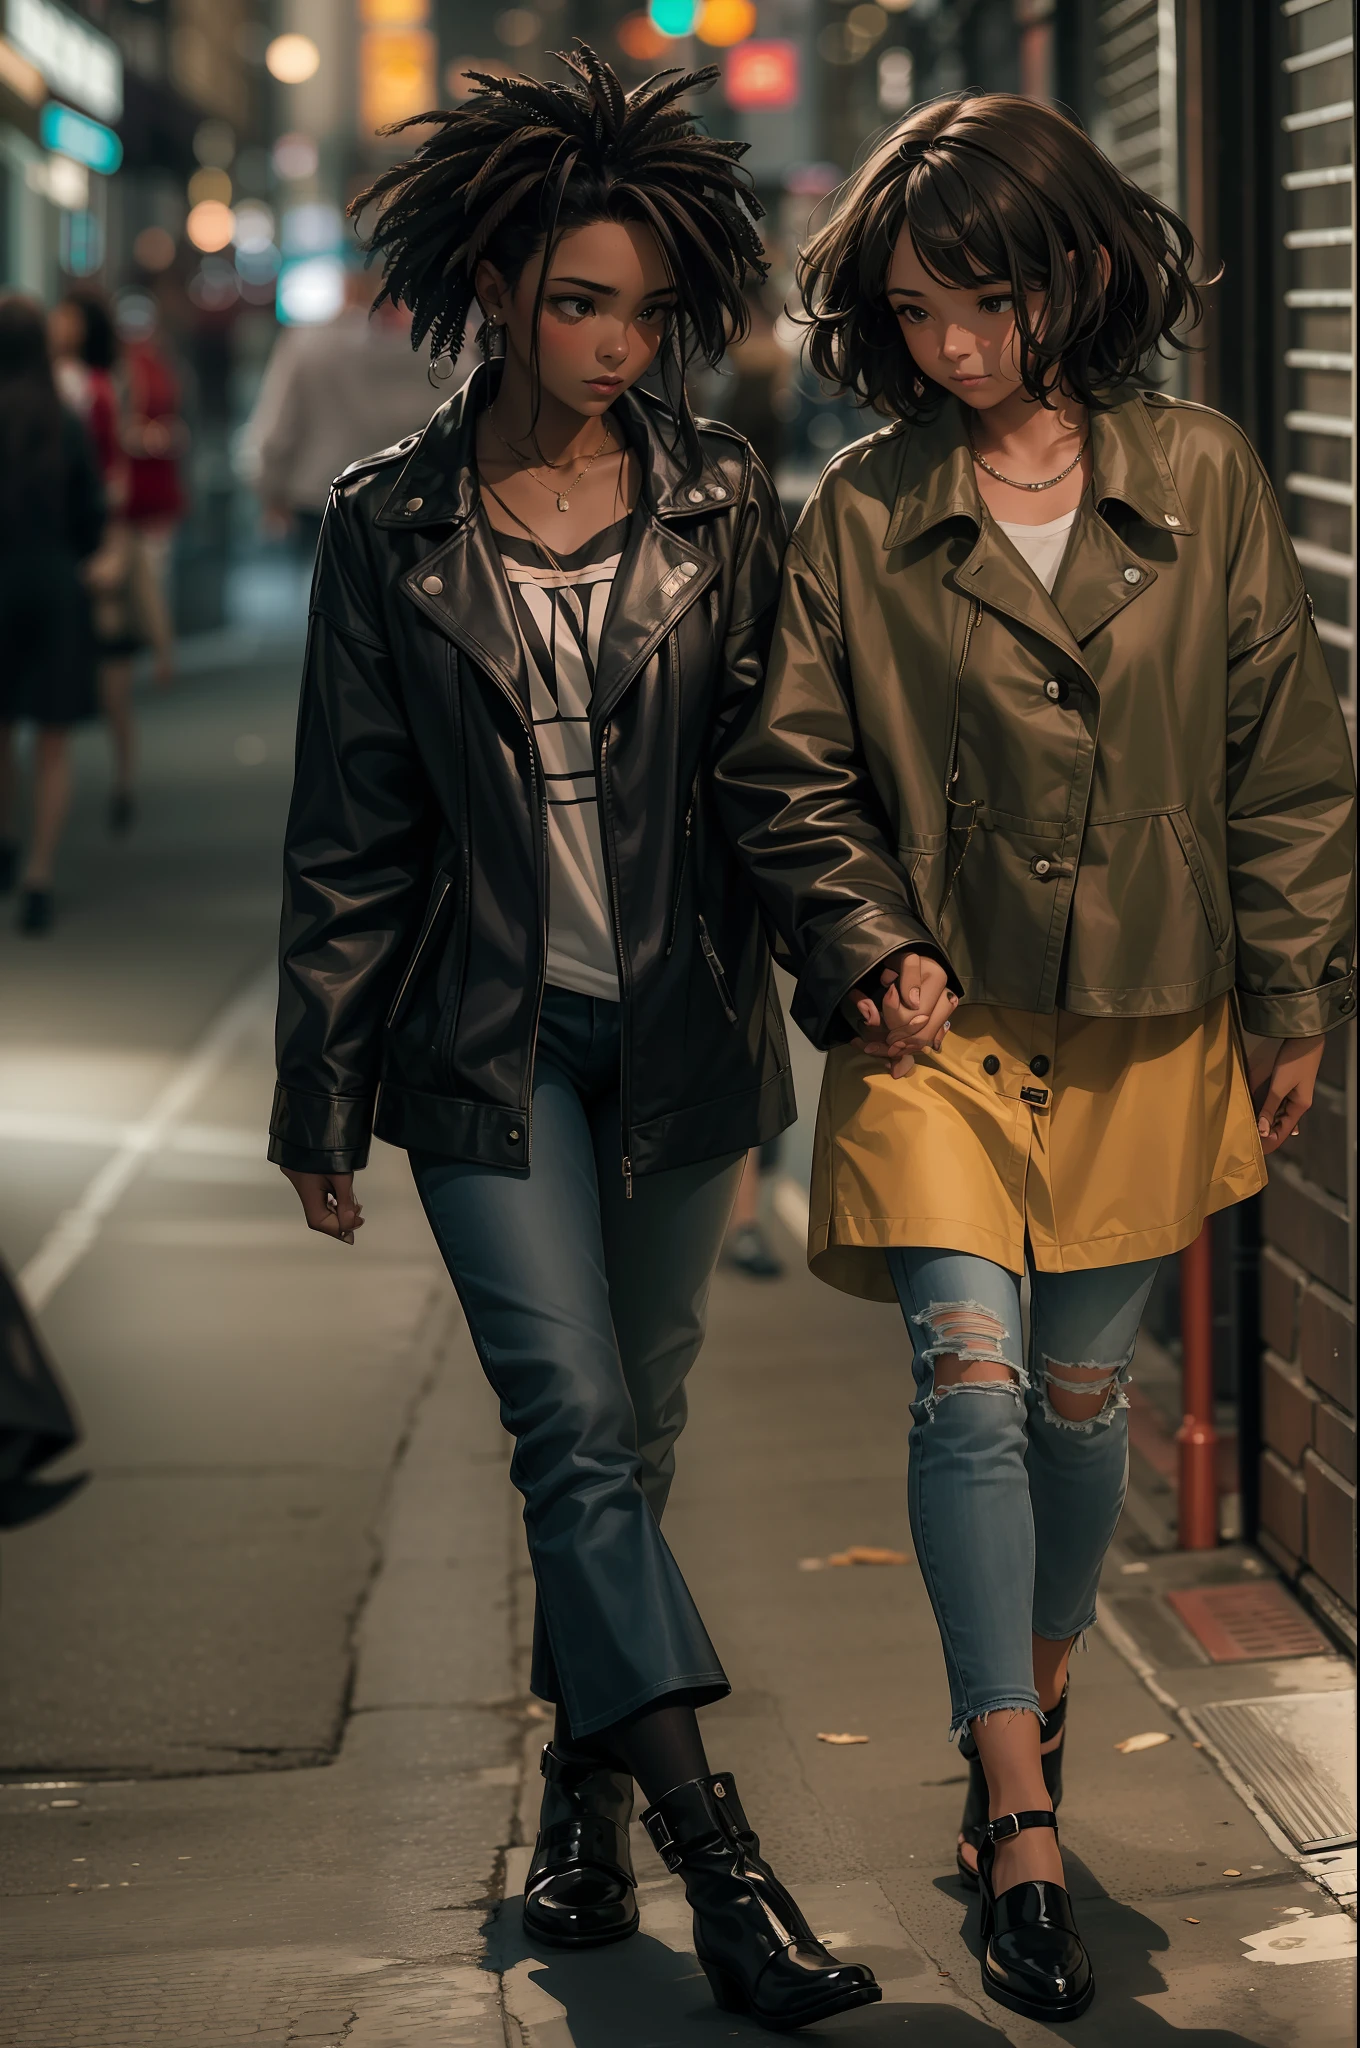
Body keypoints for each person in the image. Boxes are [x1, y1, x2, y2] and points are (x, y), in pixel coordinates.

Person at [717, 92, 1356, 2026]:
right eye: (914, 314)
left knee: (1082, 1408)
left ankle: (1039, 1686)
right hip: (939, 1022)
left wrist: (1295, 990)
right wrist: (868, 943)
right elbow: (790, 765)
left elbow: (1284, 754)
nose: (949, 348)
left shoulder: (1205, 473)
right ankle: (1015, 1806)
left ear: (1070, 274)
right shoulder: (862, 508)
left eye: (978, 304)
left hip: (1154, 1007)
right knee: (970, 1390)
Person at [268, 47, 880, 2034]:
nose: (612, 345)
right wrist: (322, 1092)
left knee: (637, 1433)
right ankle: (728, 1867)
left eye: (643, 306)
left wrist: (862, 953)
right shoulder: (390, 527)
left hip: (686, 1039)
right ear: (493, 292)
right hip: (481, 1049)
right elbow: (352, 827)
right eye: (572, 301)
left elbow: (781, 782)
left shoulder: (723, 502)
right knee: (566, 1422)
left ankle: (579, 1792)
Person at [0, 294, 105, 934]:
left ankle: (5, 839)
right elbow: (89, 515)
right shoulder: (64, 419)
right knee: (54, 741)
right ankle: (40, 873)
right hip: (54, 581)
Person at [242, 265, 442, 561]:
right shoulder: (442, 353)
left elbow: (277, 432)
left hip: (320, 498)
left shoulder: (307, 344)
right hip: (411, 502)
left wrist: (270, 492)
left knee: (322, 598)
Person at [49, 289, 140, 833]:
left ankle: (123, 776)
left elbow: (116, 469)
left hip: (100, 530)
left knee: (113, 665)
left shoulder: (102, 385)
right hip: (64, 537)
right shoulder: (51, 386)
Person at [117, 293, 187, 691]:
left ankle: (157, 653)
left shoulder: (140, 368)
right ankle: (159, 652)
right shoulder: (155, 366)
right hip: (151, 483)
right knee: (151, 575)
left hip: (146, 485)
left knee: (149, 575)